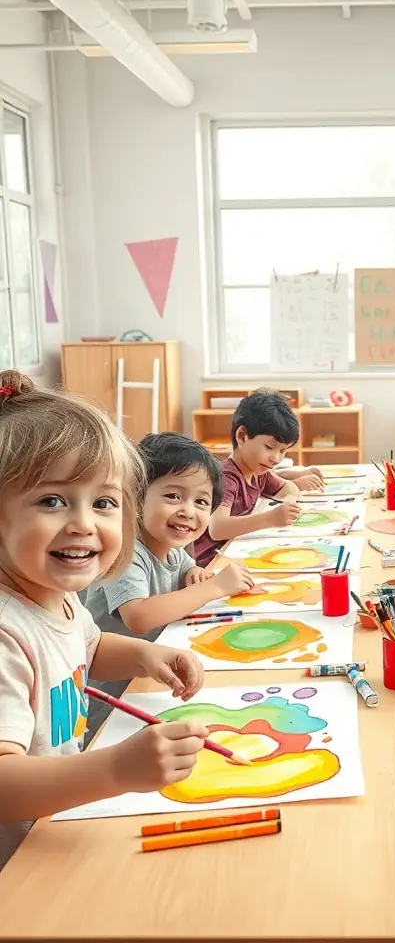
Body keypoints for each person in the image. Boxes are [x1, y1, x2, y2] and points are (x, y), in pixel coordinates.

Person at [0, 372, 207, 871]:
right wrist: (116, 768)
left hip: (54, 830)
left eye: (104, 502)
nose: (85, 523)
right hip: (19, 870)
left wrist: (144, 653)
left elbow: (86, 647)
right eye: (52, 500)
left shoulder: (56, 599)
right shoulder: (7, 634)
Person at [85, 432, 255, 642]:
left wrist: (195, 573)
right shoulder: (124, 552)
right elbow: (138, 616)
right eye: (173, 496)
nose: (188, 512)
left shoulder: (173, 550)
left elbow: (188, 571)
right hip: (121, 675)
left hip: (159, 658)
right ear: (137, 498)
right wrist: (215, 587)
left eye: (201, 502)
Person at [195, 388, 303, 567]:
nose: (276, 459)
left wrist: (289, 502)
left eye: (283, 451)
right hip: (211, 564)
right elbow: (217, 528)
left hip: (235, 550)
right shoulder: (227, 477)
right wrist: (271, 518)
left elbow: (288, 487)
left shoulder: (258, 472)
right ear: (242, 436)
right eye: (269, 447)